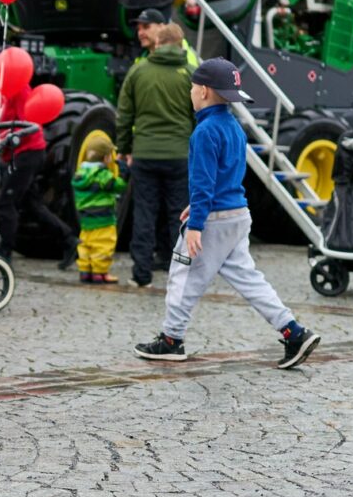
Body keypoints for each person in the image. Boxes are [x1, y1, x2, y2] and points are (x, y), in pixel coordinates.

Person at [134, 59, 321, 368]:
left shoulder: (204, 132)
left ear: (205, 92)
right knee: (251, 281)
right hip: (237, 214)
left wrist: (196, 223)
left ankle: (171, 340)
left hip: (213, 222)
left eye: (193, 88)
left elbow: (204, 180)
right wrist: (198, 205)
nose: (191, 94)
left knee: (183, 277)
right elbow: (226, 176)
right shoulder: (234, 126)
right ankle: (294, 332)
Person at [115, 22, 194, 287]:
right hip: (179, 155)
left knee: (145, 213)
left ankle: (141, 274)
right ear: (180, 44)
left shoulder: (138, 72)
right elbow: (199, 118)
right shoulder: (190, 75)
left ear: (158, 43)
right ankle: (178, 273)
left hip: (145, 154)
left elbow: (124, 116)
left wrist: (125, 149)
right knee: (178, 215)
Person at [0, 51, 76, 265]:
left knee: (6, 202)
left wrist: (7, 137)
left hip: (28, 153)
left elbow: (28, 123)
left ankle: (4, 250)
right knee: (32, 205)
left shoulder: (18, 90)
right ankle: (69, 240)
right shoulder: (5, 92)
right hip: (20, 153)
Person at [71, 137, 122, 284]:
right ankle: (100, 273)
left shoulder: (80, 174)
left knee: (85, 243)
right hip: (103, 218)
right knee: (103, 244)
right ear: (106, 157)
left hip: (86, 219)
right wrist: (124, 172)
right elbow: (118, 185)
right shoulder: (102, 174)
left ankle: (85, 271)